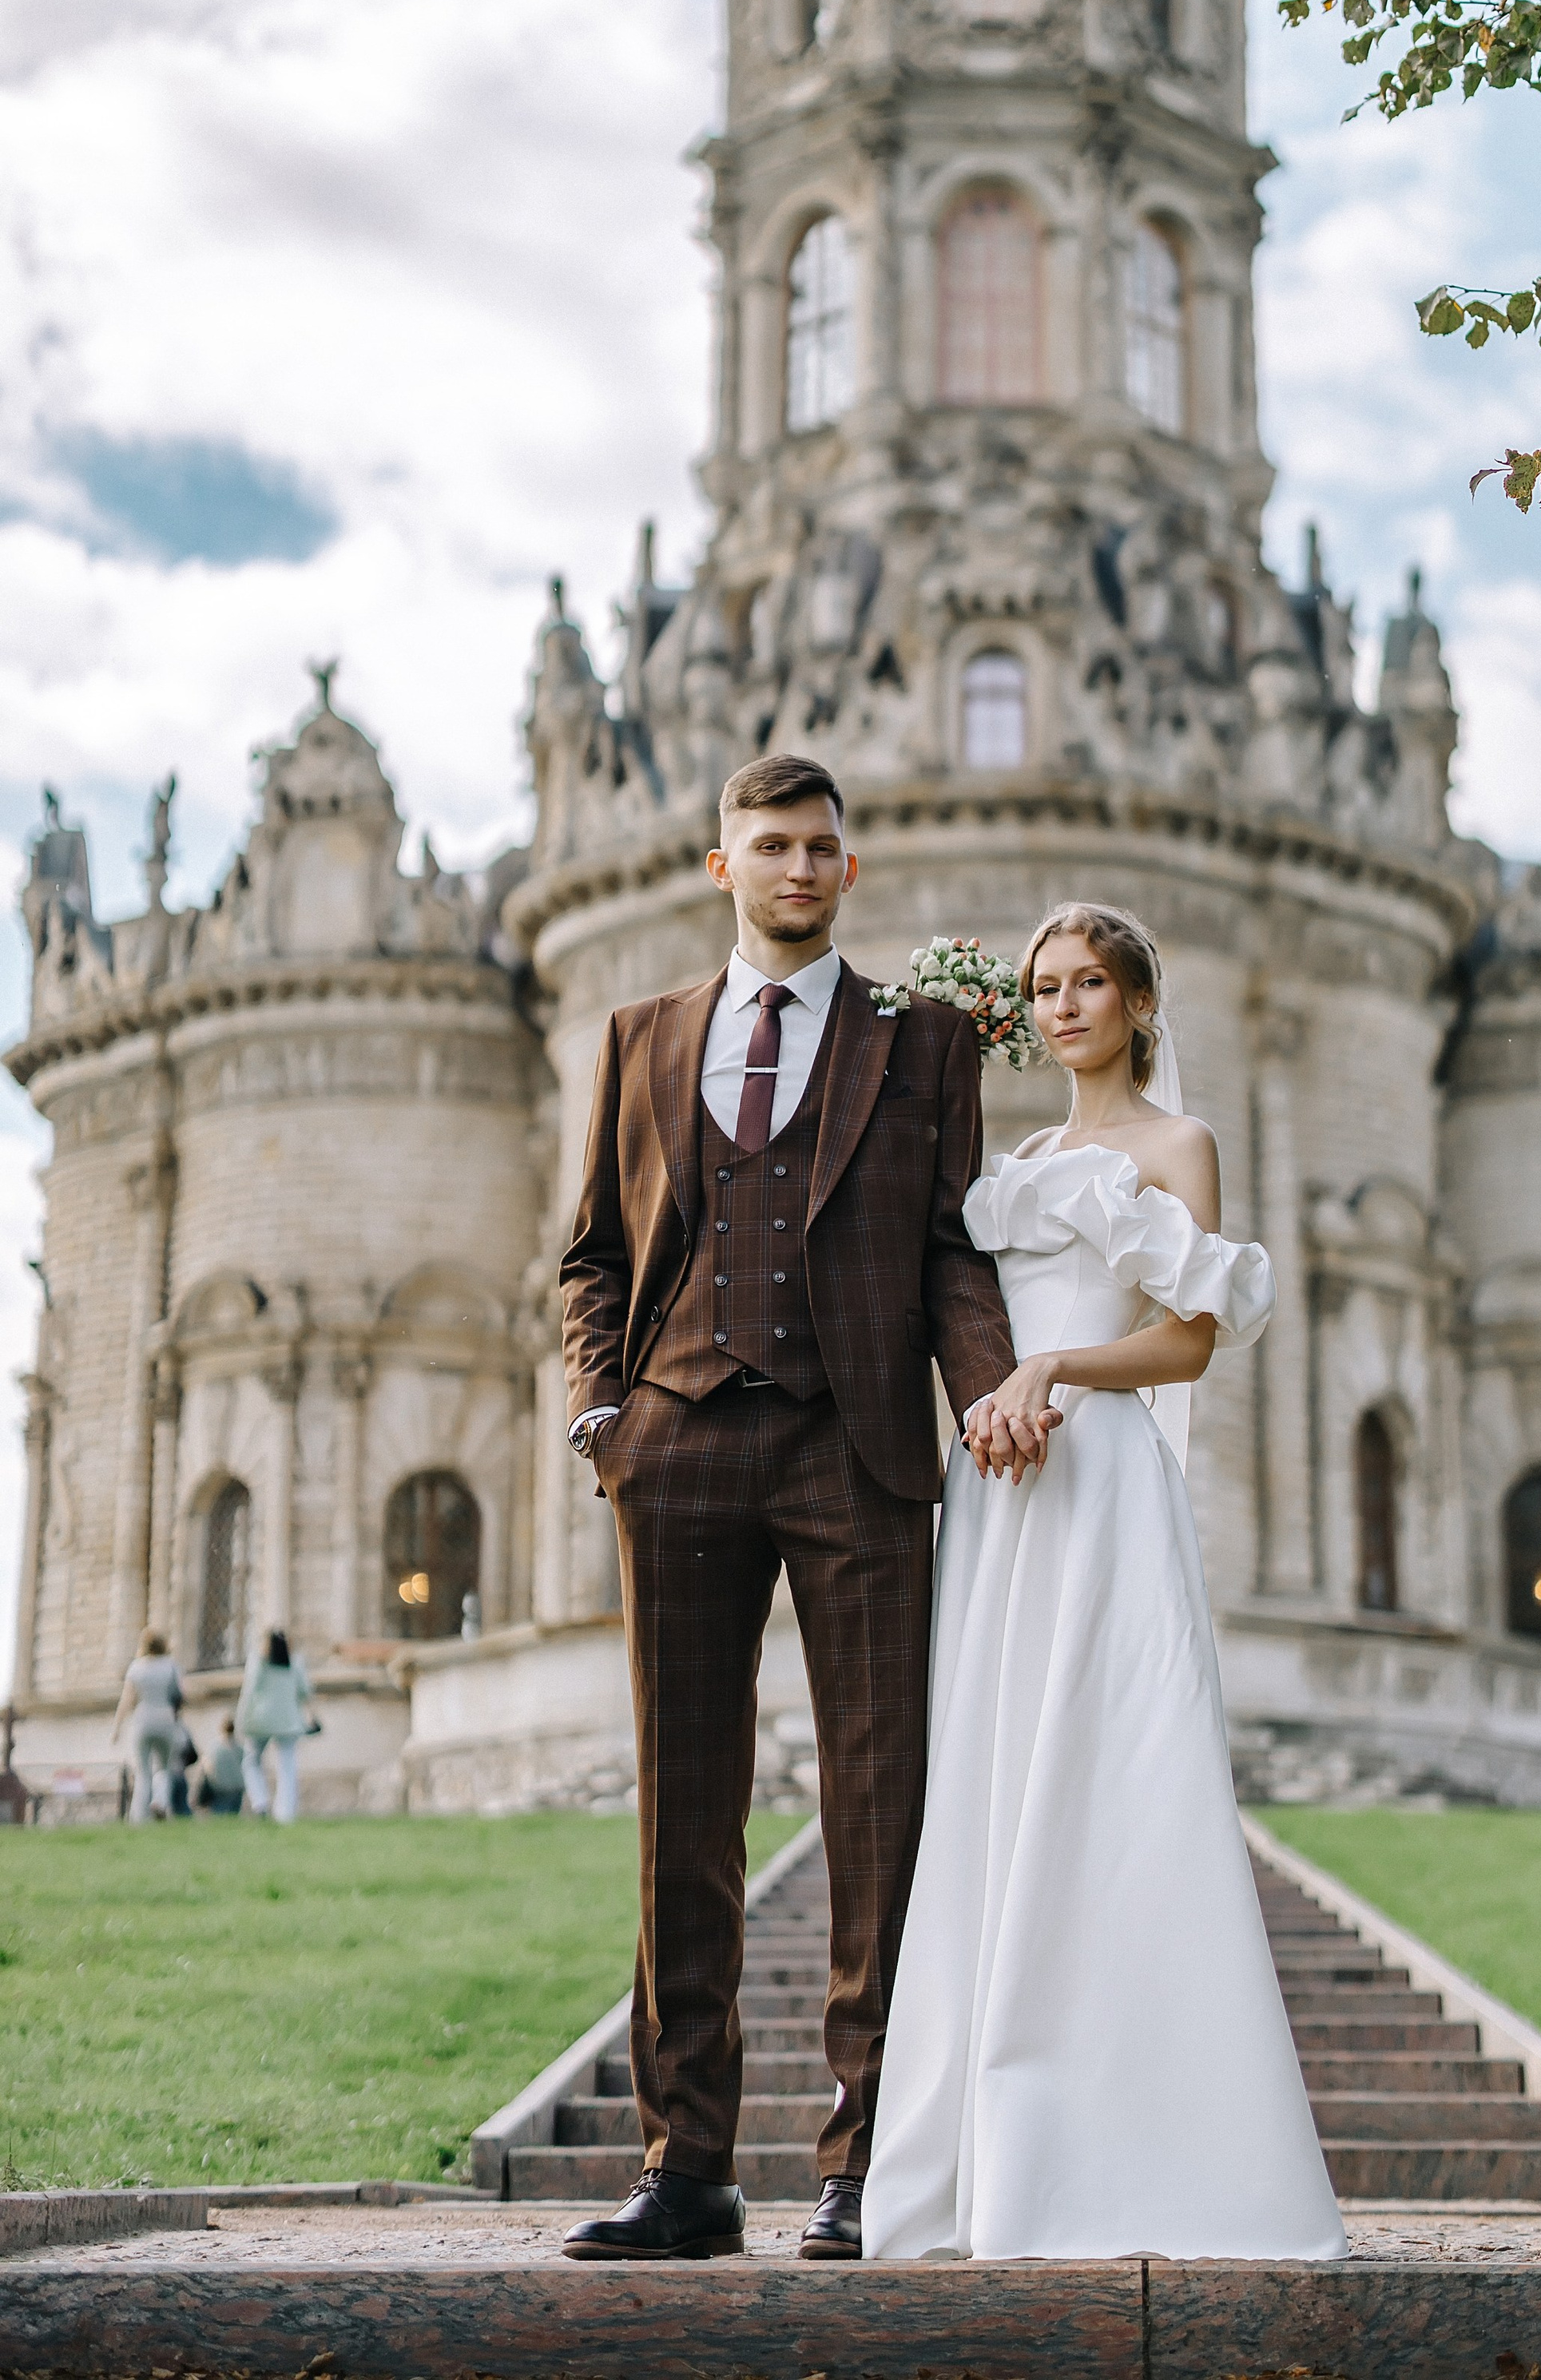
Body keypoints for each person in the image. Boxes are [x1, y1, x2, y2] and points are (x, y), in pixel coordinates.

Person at [556, 754, 1017, 2267]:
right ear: (722, 865)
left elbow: (955, 1250)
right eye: (774, 846)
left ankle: (864, 2164)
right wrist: (602, 1411)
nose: (802, 868)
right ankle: (686, 2170)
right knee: (683, 1817)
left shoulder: (925, 1043)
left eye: (824, 847)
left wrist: (993, 1400)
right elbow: (592, 1260)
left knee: (882, 1811)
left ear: (850, 871)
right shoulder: (639, 1039)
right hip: (677, 1444)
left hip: (857, 1450)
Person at [861, 902, 1348, 2263]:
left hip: (1105, 1477)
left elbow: (1192, 1340)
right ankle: (983, 2162)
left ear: (1139, 1003)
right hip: (1006, 1491)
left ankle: (1154, 2155)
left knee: (1116, 1780)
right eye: (1045, 987)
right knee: (998, 1782)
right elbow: (968, 1320)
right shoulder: (1013, 1165)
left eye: (1089, 984)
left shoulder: (1175, 1144)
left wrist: (1057, 1371)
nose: (1064, 1006)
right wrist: (991, 1400)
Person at [236, 1629, 315, 1819]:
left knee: (251, 1761)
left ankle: (260, 1802)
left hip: (261, 1719)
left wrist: (241, 1719)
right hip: (288, 1720)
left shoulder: (258, 1662)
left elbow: (249, 1691)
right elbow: (305, 1691)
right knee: (287, 1767)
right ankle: (285, 1813)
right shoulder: (294, 1662)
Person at [110, 1631, 183, 1824]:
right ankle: (160, 1802)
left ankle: (139, 1817)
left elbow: (127, 1699)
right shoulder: (171, 1666)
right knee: (164, 1768)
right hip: (166, 1720)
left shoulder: (136, 1668)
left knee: (143, 1772)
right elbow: (180, 1695)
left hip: (143, 1720)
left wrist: (117, 1727)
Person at [205, 1718, 247, 1817]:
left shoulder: (214, 1747)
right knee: (234, 1813)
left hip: (220, 1785)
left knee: (219, 1811)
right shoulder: (240, 1747)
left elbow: (208, 1766)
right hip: (237, 1785)